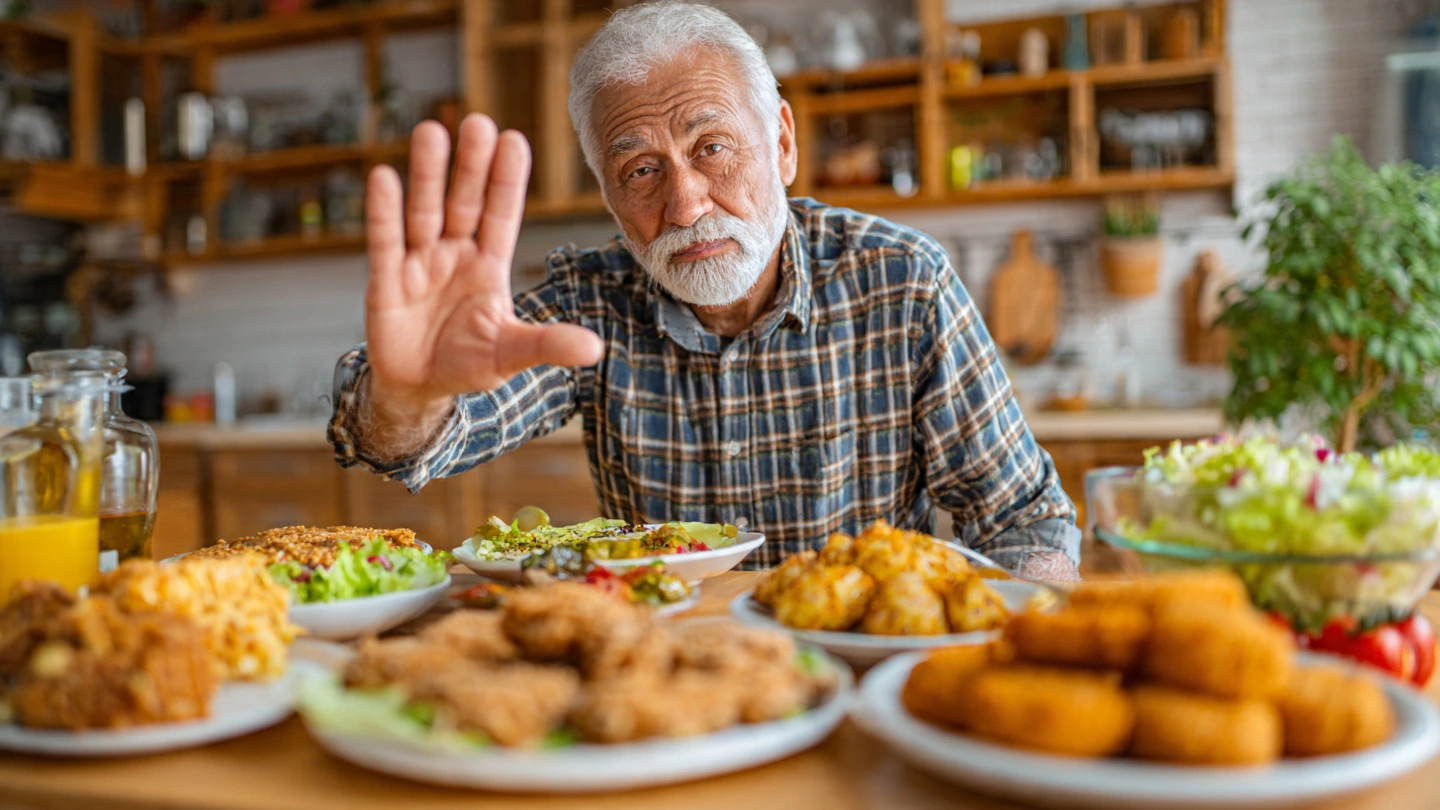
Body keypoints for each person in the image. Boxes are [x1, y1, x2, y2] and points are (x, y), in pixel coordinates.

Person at [328, 2, 1080, 579]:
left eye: (712, 147)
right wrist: (408, 394)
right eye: (641, 170)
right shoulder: (591, 302)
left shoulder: (902, 281)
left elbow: (1023, 518)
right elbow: (420, 437)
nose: (686, 205)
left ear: (782, 143)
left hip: (862, 667)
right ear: (610, 199)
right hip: (667, 677)